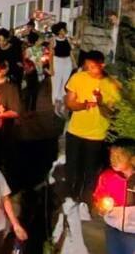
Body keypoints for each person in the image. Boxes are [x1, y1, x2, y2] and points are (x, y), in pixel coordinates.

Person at [64, 50, 120, 220]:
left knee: (90, 172)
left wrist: (101, 102)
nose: (89, 69)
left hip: (96, 135)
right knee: (72, 168)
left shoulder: (111, 84)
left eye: (93, 66)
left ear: (102, 65)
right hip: (75, 131)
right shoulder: (78, 78)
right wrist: (83, 105)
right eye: (87, 65)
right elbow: (69, 103)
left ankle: (85, 202)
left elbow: (111, 113)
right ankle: (70, 199)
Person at [93, 137, 135, 253]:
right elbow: (98, 197)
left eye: (119, 157)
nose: (113, 160)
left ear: (133, 159)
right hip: (112, 228)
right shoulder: (107, 177)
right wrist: (101, 207)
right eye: (112, 156)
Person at [49, 22, 75, 116]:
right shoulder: (53, 40)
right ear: (60, 31)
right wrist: (51, 68)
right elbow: (51, 55)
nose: (66, 30)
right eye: (64, 29)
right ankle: (57, 105)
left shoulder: (68, 39)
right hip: (57, 62)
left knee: (66, 83)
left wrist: (74, 63)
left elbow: (70, 53)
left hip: (67, 62)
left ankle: (64, 104)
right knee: (56, 83)